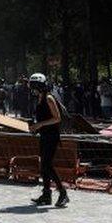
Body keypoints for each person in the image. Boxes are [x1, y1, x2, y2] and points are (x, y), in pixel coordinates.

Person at [27, 73, 69, 208]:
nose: (33, 89)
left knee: (47, 165)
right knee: (44, 166)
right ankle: (46, 195)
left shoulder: (49, 98)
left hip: (52, 136)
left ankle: (63, 193)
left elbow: (57, 118)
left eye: (35, 87)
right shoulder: (39, 98)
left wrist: (39, 125)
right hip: (44, 135)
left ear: (41, 86)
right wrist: (35, 126)